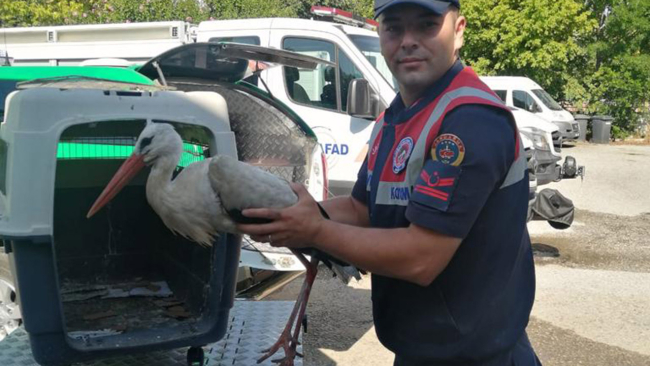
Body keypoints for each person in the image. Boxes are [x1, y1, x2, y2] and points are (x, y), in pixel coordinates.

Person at [238, 0, 541, 364]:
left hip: (476, 356)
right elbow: (359, 209)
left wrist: (314, 230)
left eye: (427, 25)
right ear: (379, 33)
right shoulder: (394, 119)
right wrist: (288, 214)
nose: (408, 41)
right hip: (421, 351)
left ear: (458, 30)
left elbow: (421, 258)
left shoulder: (470, 120)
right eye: (394, 27)